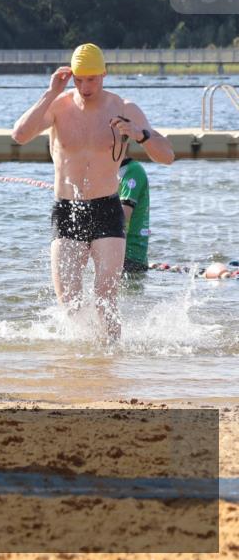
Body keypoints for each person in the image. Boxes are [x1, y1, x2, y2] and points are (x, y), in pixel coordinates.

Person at [12, 43, 174, 340]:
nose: (85, 87)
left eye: (92, 79)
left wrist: (140, 135)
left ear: (104, 74)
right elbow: (19, 135)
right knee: (69, 302)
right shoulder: (58, 106)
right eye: (79, 79)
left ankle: (110, 362)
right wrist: (49, 92)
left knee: (105, 297)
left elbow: (167, 155)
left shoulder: (125, 108)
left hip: (107, 209)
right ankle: (83, 367)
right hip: (67, 209)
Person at [119, 153, 150, 274]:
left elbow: (123, 217)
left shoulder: (133, 171)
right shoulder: (105, 168)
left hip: (131, 258)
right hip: (112, 253)